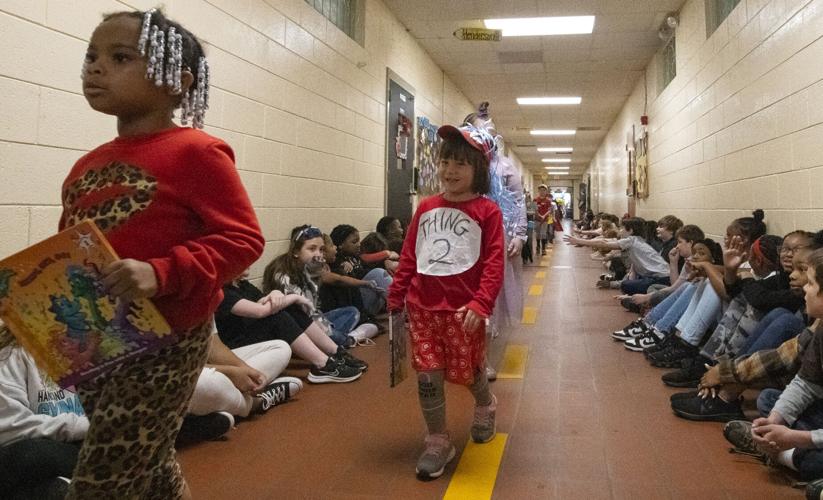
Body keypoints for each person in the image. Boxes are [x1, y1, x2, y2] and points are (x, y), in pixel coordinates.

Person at [63, 9, 265, 498]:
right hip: (98, 341)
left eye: (119, 57)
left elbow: (244, 240)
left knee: (105, 478)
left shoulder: (196, 152)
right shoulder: (84, 167)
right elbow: (71, 259)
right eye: (92, 55)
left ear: (178, 80)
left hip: (168, 339)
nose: (95, 67)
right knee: (147, 466)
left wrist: (161, 272)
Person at [388, 123, 505, 480]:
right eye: (444, 162)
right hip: (423, 308)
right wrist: (396, 295)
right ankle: (437, 440)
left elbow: (493, 261)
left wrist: (481, 303)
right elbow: (411, 254)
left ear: (478, 170)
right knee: (428, 375)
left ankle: (485, 404)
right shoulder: (425, 207)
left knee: (468, 371)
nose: (449, 171)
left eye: (460, 164)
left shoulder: (487, 212)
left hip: (464, 311)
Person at [0, 325, 87, 500]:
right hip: (41, 449)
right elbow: (9, 429)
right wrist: (83, 426)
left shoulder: (99, 351)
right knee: (27, 455)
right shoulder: (12, 354)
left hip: (96, 446)